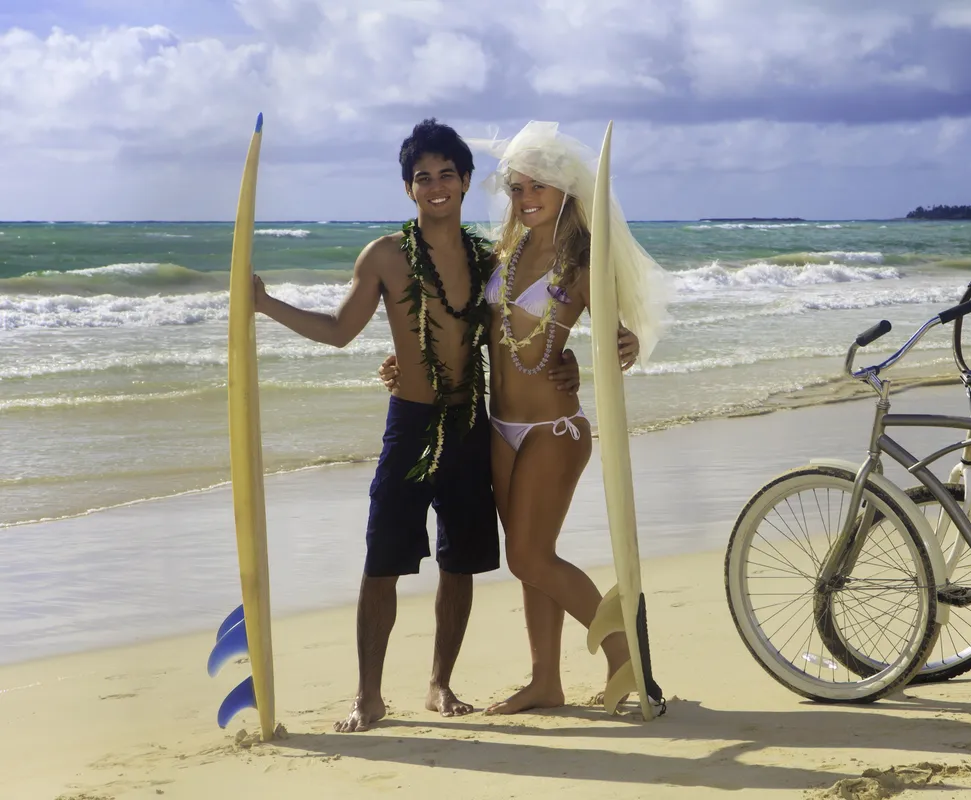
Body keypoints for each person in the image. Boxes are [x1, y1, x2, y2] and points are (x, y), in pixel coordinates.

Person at [251, 118, 585, 731]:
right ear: (409, 188)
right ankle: (367, 696)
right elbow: (337, 330)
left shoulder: (493, 260)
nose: (435, 186)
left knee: (458, 563)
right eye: (422, 177)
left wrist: (569, 360)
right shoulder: (383, 255)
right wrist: (265, 304)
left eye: (446, 175)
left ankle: (440, 684)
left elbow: (525, 328)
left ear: (463, 183)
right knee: (383, 560)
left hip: (469, 426)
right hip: (409, 427)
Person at [380, 121, 671, 714]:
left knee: (528, 557)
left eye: (539, 186)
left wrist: (626, 346)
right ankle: (546, 681)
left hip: (554, 430)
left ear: (566, 191)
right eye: (516, 188)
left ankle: (628, 664)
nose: (526, 197)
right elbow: (461, 321)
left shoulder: (584, 259)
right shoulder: (502, 254)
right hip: (500, 427)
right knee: (532, 559)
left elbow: (623, 325)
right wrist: (406, 356)